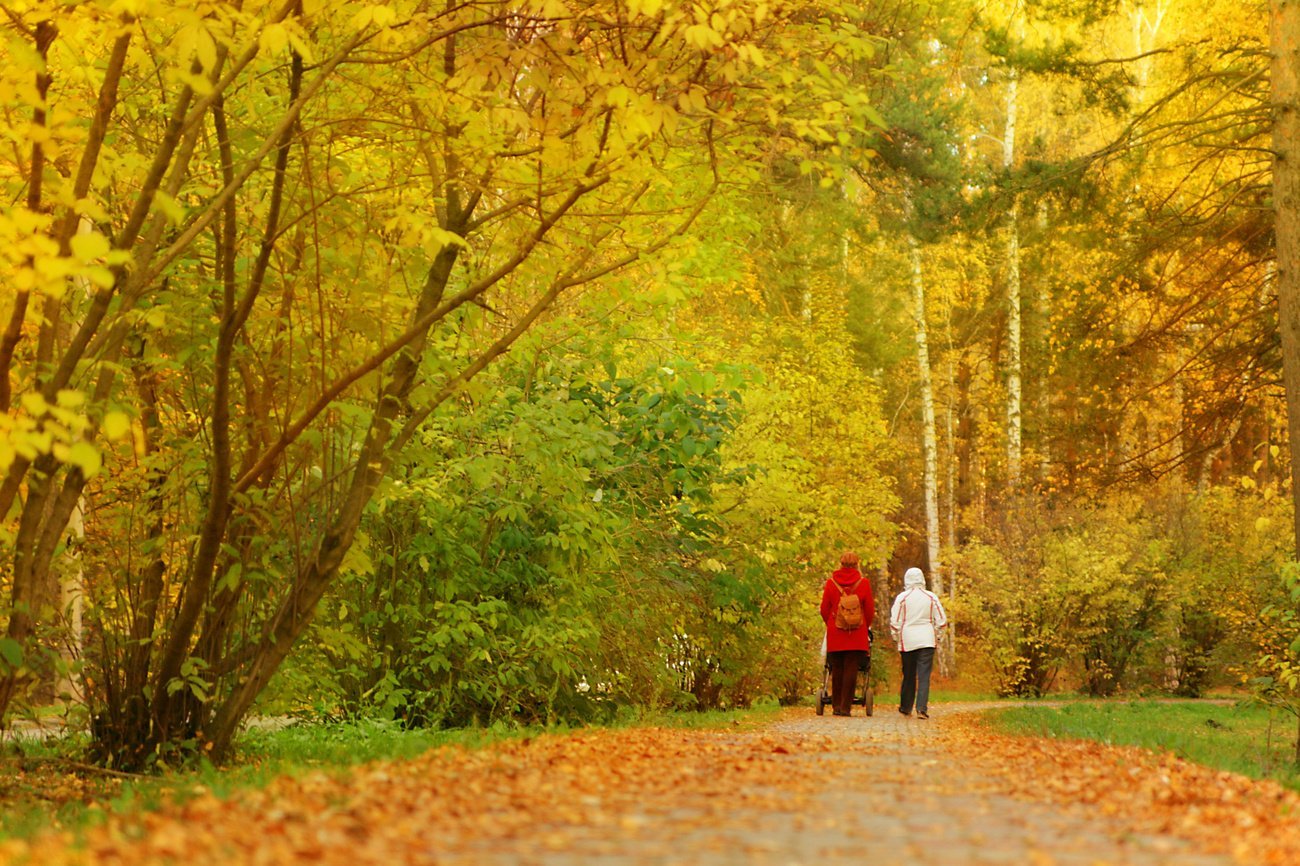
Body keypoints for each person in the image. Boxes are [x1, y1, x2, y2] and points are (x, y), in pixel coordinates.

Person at [819, 551, 875, 716]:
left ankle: (836, 706)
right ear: (857, 564)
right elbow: (870, 610)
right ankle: (845, 707)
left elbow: (824, 609)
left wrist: (831, 624)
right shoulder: (863, 583)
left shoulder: (831, 583)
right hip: (856, 632)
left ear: (840, 564)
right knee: (852, 667)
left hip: (836, 632)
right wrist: (865, 625)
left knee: (836, 667)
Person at [890, 566, 948, 719]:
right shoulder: (931, 597)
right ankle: (921, 708)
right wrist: (938, 636)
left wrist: (896, 637)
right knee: (924, 676)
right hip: (927, 640)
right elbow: (941, 621)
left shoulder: (902, 598)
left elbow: (895, 622)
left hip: (907, 640)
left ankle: (905, 707)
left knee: (908, 674)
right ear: (922, 579)